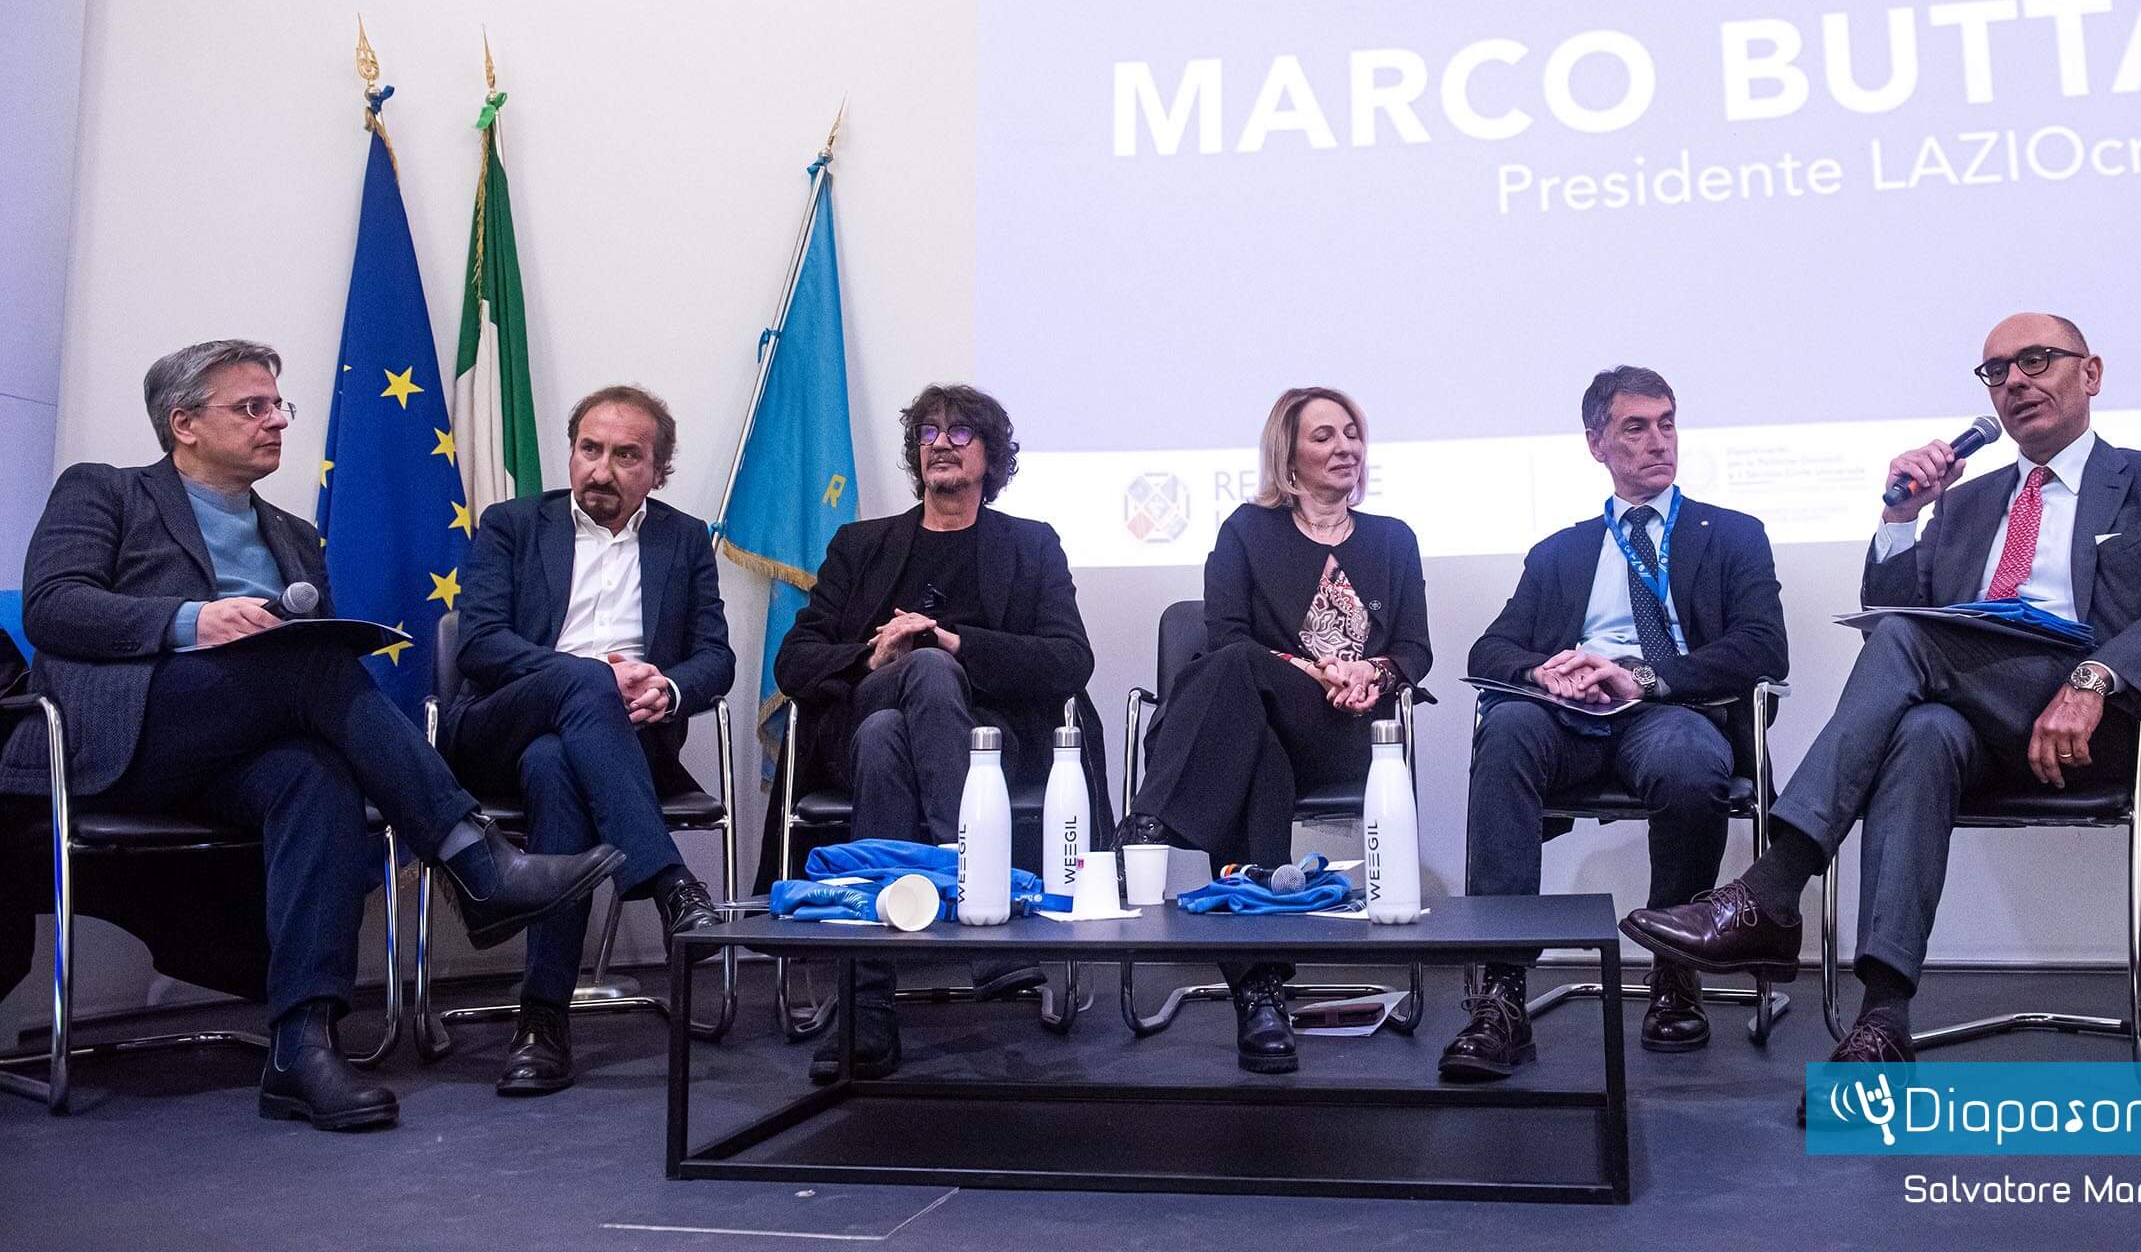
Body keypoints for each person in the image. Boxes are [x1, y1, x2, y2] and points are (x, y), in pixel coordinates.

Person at [0, 340, 623, 1130]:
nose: (276, 421)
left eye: (278, 405)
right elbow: (54, 607)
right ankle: (476, 860)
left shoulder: (295, 534)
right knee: (314, 664)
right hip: (124, 735)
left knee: (315, 776)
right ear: (184, 423)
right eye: (252, 407)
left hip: (238, 749)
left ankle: (302, 1047)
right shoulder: (104, 490)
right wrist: (192, 621)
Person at [1623, 313, 2141, 1068]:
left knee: (1910, 647)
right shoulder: (1967, 503)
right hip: (1981, 727)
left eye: (2036, 360)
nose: (2014, 382)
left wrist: (2092, 678)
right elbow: (1892, 623)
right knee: (1921, 731)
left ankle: (1772, 889)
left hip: (2100, 721)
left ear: (2091, 372)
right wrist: (1900, 517)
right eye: (1996, 371)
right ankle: (1883, 1020)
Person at [1442, 367, 1788, 1080]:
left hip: (1669, 709)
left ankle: (1675, 969)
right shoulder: (1561, 551)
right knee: (1506, 732)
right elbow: (1490, 650)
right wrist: (1543, 672)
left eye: (1667, 423)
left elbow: (1763, 647)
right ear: (1597, 443)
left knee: (1690, 761)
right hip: (1570, 719)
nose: (1659, 441)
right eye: (1636, 427)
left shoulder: (1732, 535)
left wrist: (1646, 677)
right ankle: (1501, 993)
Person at [773, 384, 1096, 1082]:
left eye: (959, 432)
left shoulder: (1030, 545)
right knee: (915, 674)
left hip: (985, 741)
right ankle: (982, 904)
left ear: (992, 455)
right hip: (872, 699)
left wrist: (954, 643)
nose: (941, 443)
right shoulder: (861, 545)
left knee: (889, 735)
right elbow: (793, 662)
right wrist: (874, 656)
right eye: (927, 432)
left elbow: (1071, 660)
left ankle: (867, 1008)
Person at [1119, 387, 1432, 1074]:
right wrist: (1317, 669)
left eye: (1351, 432)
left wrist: (1369, 673)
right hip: (1263, 724)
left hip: (1348, 731)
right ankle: (1260, 992)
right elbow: (1226, 634)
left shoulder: (1393, 539)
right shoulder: (1247, 532)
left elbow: (1415, 649)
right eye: (1324, 436)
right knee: (1253, 743)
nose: (1345, 446)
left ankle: (1151, 816)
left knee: (1236, 675)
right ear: (1288, 456)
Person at [448, 384, 736, 1096]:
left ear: (658, 471)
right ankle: (669, 882)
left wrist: (666, 689)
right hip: (500, 727)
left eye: (626, 456)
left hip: (611, 746)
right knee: (581, 687)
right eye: (590, 449)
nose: (602, 470)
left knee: (557, 767)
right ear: (571, 452)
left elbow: (714, 657)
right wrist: (595, 678)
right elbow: (479, 643)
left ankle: (542, 1022)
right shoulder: (513, 525)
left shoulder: (683, 539)